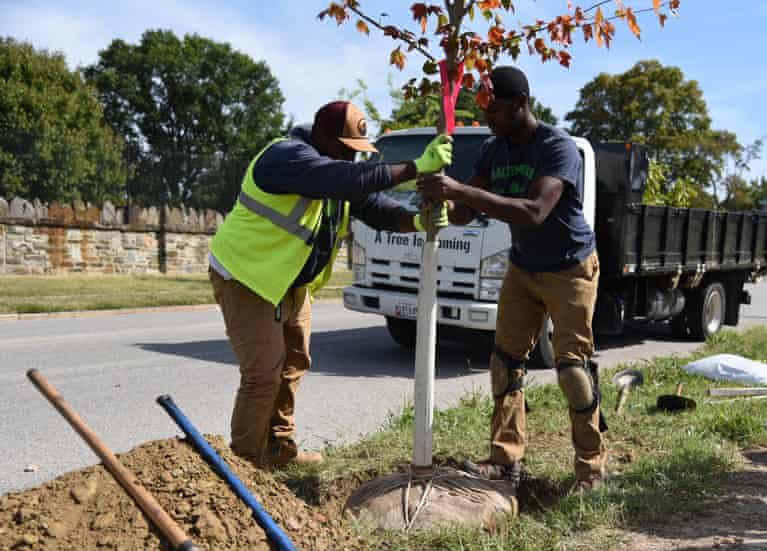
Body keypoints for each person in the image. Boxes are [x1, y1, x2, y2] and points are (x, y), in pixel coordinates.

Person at [209, 100, 452, 469]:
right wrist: (417, 167)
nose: (351, 160)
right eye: (345, 150)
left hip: (289, 282)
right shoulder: (287, 157)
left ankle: (278, 449)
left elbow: (377, 207)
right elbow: (346, 180)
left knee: (294, 363)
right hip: (247, 276)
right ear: (322, 137)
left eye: (357, 154)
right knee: (263, 375)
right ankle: (244, 467)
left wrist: (419, 222)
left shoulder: (336, 170)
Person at [418, 66, 606, 491]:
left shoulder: (557, 147)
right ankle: (505, 461)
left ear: (521, 103)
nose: (488, 119)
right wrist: (437, 197)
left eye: (495, 109)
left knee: (573, 370)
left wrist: (460, 190)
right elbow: (468, 211)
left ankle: (590, 468)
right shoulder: (492, 148)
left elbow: (534, 211)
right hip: (523, 266)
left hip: (569, 266)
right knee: (505, 363)